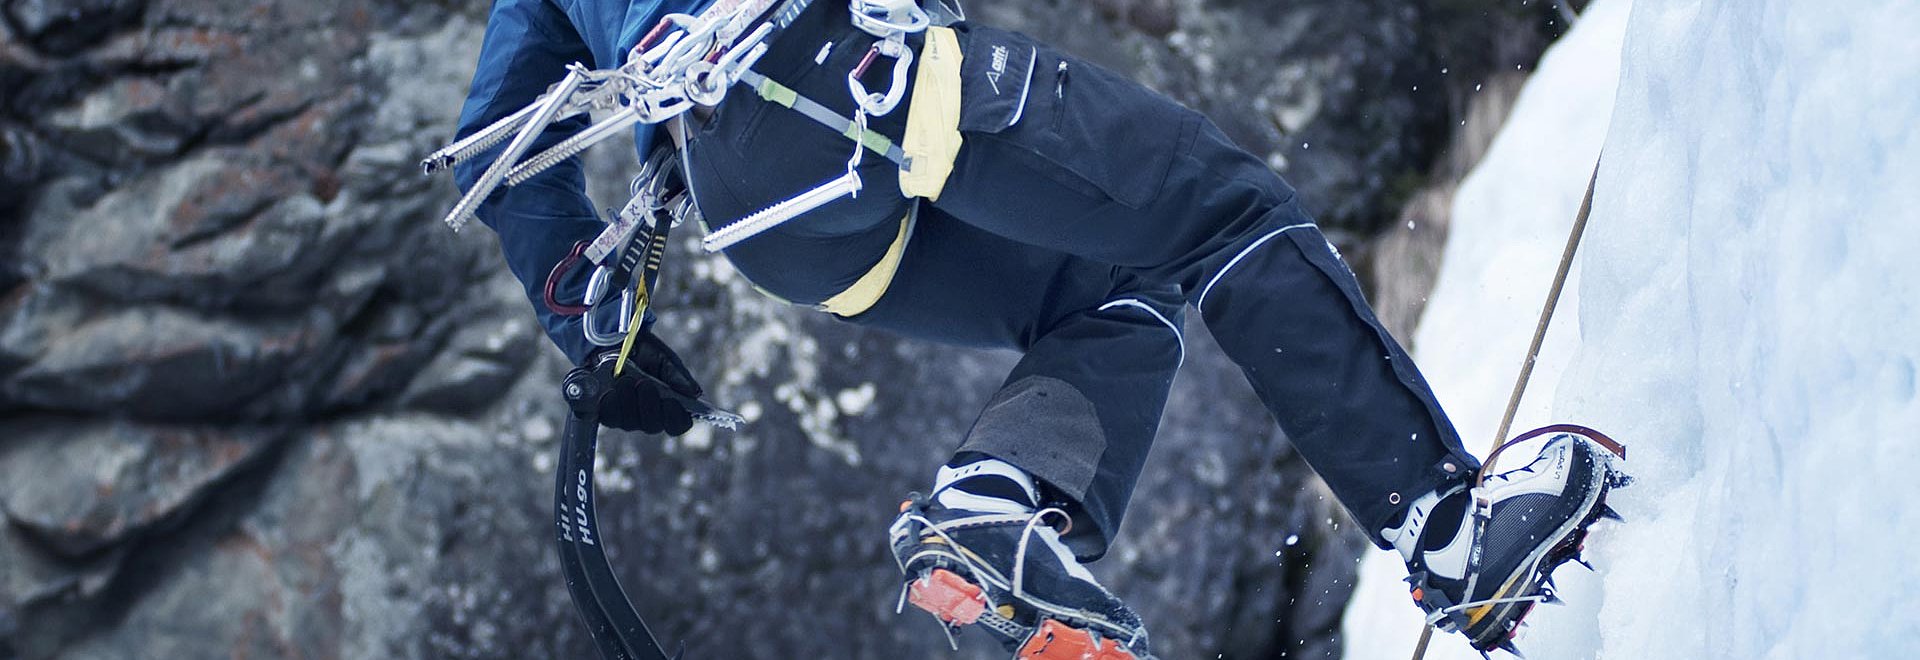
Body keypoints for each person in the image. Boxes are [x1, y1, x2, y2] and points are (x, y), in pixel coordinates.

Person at [451, 0, 1627, 657]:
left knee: (1114, 277)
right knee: (1224, 210)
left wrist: (583, 315)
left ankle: (996, 507)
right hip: (847, 72)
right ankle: (1452, 530)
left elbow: (500, 159)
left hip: (761, 213)